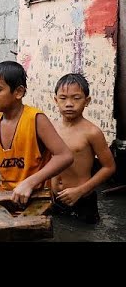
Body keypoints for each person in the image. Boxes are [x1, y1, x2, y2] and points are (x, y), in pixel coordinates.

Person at [0, 61, 73, 205]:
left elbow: (65, 156)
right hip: (6, 199)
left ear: (18, 92)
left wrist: (29, 183)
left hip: (37, 199)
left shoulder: (36, 119)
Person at [51, 73, 116, 223]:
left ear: (87, 101)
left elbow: (109, 167)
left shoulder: (92, 132)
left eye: (76, 98)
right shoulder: (51, 127)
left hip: (82, 199)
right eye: (63, 98)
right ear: (56, 100)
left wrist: (80, 191)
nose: (69, 103)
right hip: (55, 197)